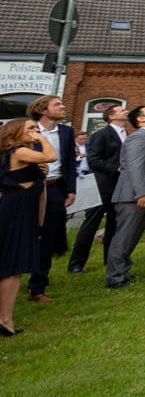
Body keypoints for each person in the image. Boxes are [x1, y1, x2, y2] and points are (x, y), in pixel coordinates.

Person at [1, 117, 57, 335]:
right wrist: (42, 138)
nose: (35, 131)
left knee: (12, 267)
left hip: (24, 210)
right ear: (16, 132)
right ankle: (5, 320)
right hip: (16, 211)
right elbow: (52, 156)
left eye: (36, 128)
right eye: (31, 128)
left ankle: (6, 319)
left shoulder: (23, 154)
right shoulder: (18, 152)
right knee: (11, 265)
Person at [105, 106, 145, 289]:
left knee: (132, 236)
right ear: (140, 119)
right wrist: (141, 193)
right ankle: (115, 278)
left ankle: (123, 272)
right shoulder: (139, 137)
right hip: (133, 196)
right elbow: (135, 167)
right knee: (124, 237)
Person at [26, 96, 76, 303]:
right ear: (43, 110)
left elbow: (70, 163)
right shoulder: (28, 130)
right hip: (28, 189)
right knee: (23, 233)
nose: (63, 107)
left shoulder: (65, 132)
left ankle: (37, 288)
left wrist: (71, 190)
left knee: (47, 238)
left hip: (55, 187)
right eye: (57, 104)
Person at [68, 102, 127, 274]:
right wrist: (114, 168)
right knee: (91, 223)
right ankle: (76, 263)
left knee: (114, 224)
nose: (126, 112)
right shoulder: (101, 135)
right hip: (103, 186)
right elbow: (93, 160)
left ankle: (109, 259)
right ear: (111, 116)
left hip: (120, 185)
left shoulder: (126, 134)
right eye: (121, 110)